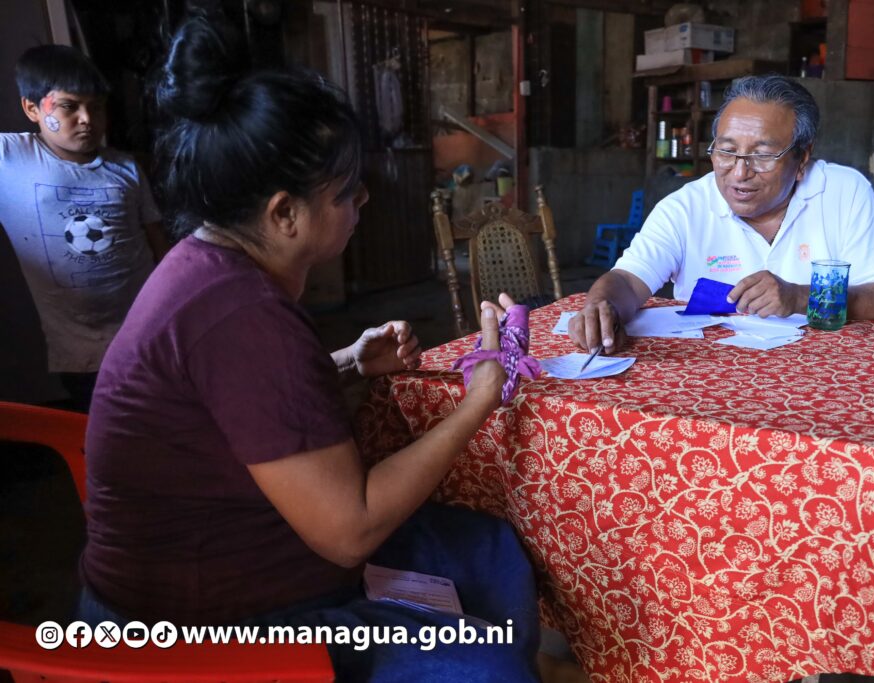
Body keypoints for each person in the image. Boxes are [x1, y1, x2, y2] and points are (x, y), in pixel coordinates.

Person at [76, 15, 539, 682]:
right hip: (191, 628)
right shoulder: (241, 313)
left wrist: (347, 362)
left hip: (245, 563)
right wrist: (479, 400)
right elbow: (351, 530)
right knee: (488, 668)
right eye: (346, 192)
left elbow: (234, 408)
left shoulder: (207, 266)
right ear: (284, 213)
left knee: (488, 546)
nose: (363, 200)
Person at [570, 74, 874, 353]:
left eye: (762, 155)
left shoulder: (843, 192)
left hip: (825, 374)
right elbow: (628, 281)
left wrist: (800, 297)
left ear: (802, 158)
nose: (739, 172)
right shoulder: (685, 207)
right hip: (710, 376)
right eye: (727, 151)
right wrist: (600, 307)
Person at [0, 45, 168, 411]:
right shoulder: (11, 159)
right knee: (102, 427)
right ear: (32, 108)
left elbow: (157, 242)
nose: (87, 119)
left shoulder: (124, 168)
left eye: (97, 107)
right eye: (69, 107)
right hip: (80, 352)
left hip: (146, 332)